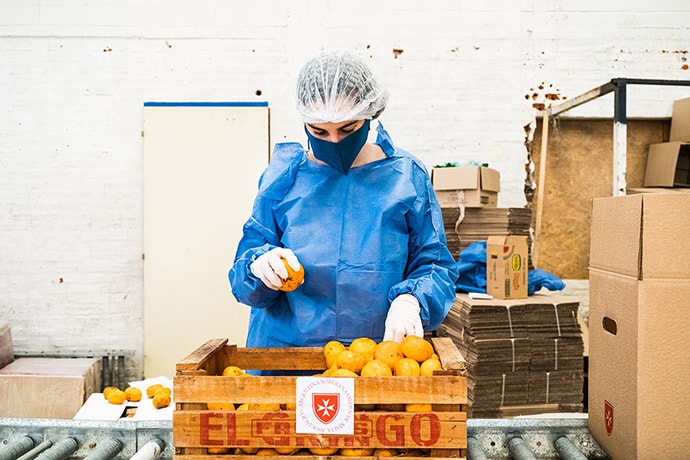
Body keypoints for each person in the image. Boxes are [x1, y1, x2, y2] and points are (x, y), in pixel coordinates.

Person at [228, 49, 458, 350]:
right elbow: (245, 282)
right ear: (305, 123)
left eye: (348, 128)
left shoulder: (405, 177)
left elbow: (434, 264)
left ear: (369, 115)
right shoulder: (283, 179)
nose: (335, 141)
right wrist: (259, 266)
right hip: (286, 358)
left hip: (376, 359)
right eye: (319, 131)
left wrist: (411, 299)